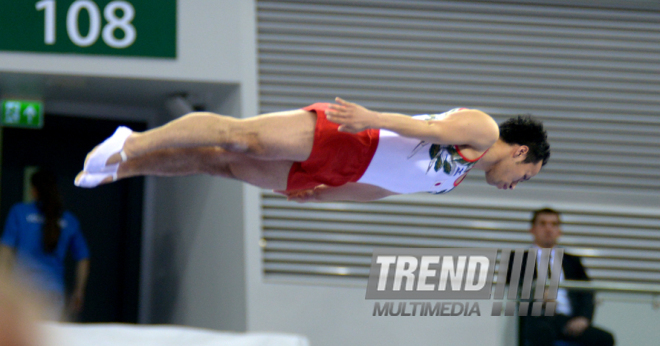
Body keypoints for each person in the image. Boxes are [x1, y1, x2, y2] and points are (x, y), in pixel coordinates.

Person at [75, 98, 550, 202]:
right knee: (240, 136)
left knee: (217, 163)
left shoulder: (451, 180)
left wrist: (328, 195)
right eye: (523, 176)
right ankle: (130, 142)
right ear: (521, 152)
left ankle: (123, 169)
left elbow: (383, 190)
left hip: (341, 172)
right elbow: (431, 127)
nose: (513, 184)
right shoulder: (483, 130)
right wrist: (373, 119)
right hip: (354, 136)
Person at [519, 208, 615, 346]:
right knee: (539, 329)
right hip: (538, 318)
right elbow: (511, 292)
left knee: (605, 340)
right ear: (532, 229)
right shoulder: (520, 260)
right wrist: (535, 295)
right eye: (543, 224)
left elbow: (587, 293)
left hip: (568, 321)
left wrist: (584, 318)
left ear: (560, 231)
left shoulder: (572, 261)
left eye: (554, 224)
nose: (548, 229)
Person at [0, 169, 91, 321]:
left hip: (22, 291)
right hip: (52, 293)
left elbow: (5, 252)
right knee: (47, 341)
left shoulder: (19, 212)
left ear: (34, 190)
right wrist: (79, 291)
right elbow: (83, 258)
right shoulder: (68, 220)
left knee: (22, 342)